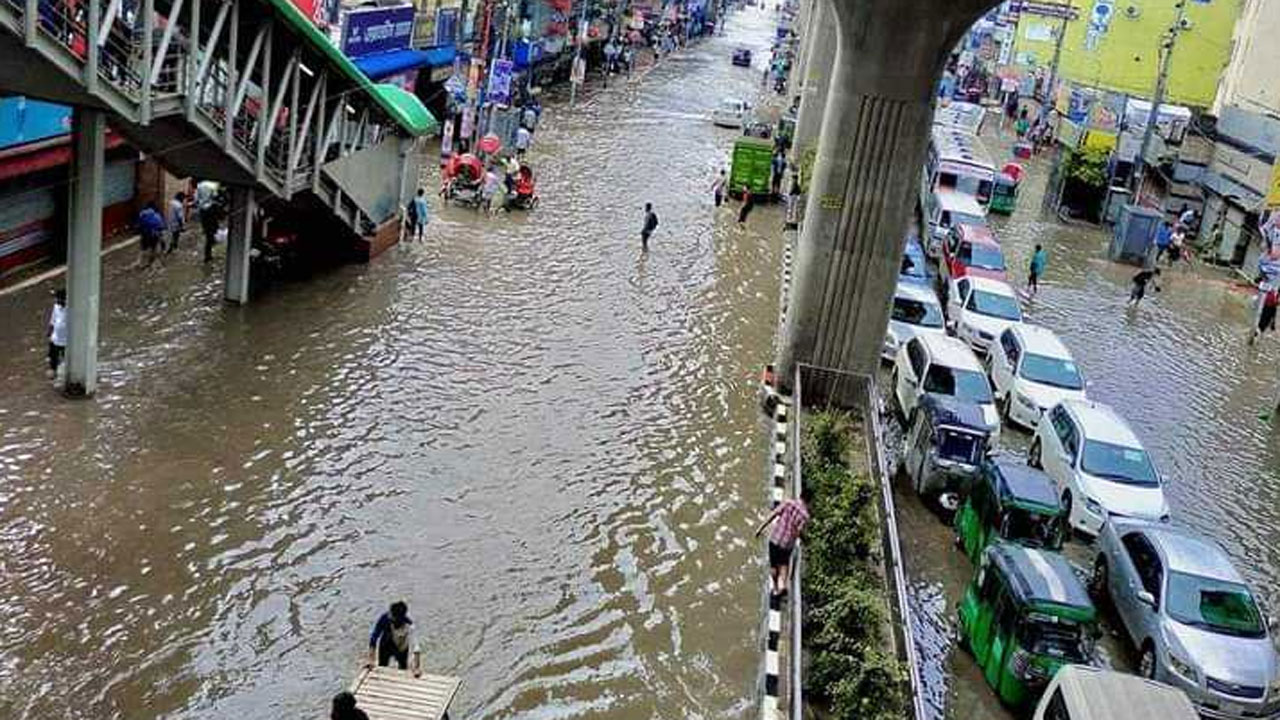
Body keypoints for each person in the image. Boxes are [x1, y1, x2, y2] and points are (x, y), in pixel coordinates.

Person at [755, 487, 810, 596]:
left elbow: (773, 514)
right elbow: (797, 532)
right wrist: (805, 540)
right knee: (784, 564)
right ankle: (783, 586)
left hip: (775, 539)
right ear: (809, 501)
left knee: (773, 566)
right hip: (787, 544)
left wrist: (760, 528)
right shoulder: (805, 515)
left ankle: (775, 588)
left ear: (800, 495)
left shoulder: (788, 503)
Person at [367, 601, 421, 676]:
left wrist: (416, 667)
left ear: (397, 618)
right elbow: (374, 638)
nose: (389, 615)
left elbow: (416, 647)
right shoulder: (384, 618)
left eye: (391, 615)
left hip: (401, 647)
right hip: (386, 645)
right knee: (382, 666)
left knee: (403, 669)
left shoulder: (409, 625)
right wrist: (371, 659)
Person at [138, 202, 166, 269]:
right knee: (153, 249)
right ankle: (151, 263)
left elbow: (139, 225)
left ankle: (141, 264)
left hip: (144, 235)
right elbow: (161, 226)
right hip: (154, 235)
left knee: (143, 249)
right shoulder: (157, 216)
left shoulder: (142, 214)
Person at [47, 288, 67, 378]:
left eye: (57, 298)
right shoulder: (56, 306)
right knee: (53, 358)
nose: (56, 300)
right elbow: (53, 320)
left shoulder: (72, 308)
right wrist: (49, 332)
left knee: (68, 359)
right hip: (55, 338)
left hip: (66, 341)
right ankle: (53, 372)